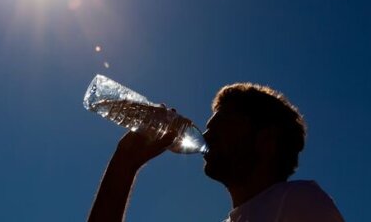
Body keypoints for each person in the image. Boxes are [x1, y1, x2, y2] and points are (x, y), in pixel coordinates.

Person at [87, 82, 345, 222]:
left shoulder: (297, 200)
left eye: (222, 126)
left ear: (266, 141)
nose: (207, 135)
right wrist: (124, 163)